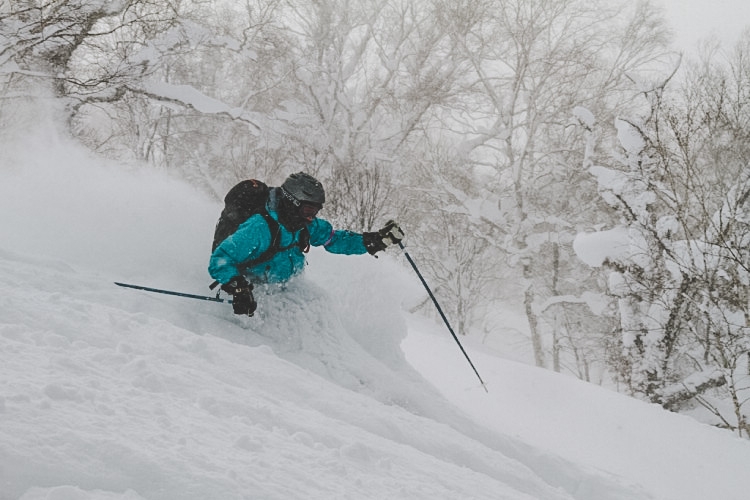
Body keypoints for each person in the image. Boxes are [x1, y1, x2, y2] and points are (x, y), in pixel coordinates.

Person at [208, 172, 403, 316]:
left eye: (316, 211)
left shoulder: (304, 225)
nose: (312, 217)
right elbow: (220, 259)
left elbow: (335, 239)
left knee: (317, 305)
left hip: (284, 290)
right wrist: (239, 288)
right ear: (292, 202)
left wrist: (373, 242)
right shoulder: (259, 228)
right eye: (308, 210)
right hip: (253, 296)